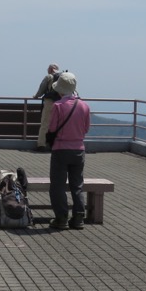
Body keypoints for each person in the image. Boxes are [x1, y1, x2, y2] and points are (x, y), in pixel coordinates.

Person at [47, 72, 91, 231]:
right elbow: (86, 128)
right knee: (77, 184)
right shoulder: (84, 106)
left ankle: (61, 218)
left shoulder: (58, 106)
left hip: (60, 149)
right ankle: (79, 217)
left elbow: (52, 128)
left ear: (60, 90)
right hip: (79, 149)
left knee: (58, 185)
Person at [33, 63, 61, 153]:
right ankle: (55, 144)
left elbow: (42, 89)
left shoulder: (49, 77)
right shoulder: (62, 77)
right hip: (61, 103)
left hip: (49, 102)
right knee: (58, 123)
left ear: (51, 69)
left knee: (45, 123)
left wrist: (36, 96)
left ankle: (41, 144)